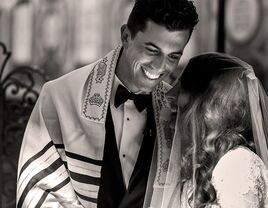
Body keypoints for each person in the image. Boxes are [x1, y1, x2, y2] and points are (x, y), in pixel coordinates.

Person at [16, 0, 199, 207]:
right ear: (126, 36)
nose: (160, 66)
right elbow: (42, 190)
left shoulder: (177, 109)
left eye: (173, 56)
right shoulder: (59, 97)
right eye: (152, 50)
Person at [161, 52, 268, 207]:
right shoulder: (202, 166)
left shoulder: (237, 164)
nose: (171, 96)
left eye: (183, 87)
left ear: (207, 104)